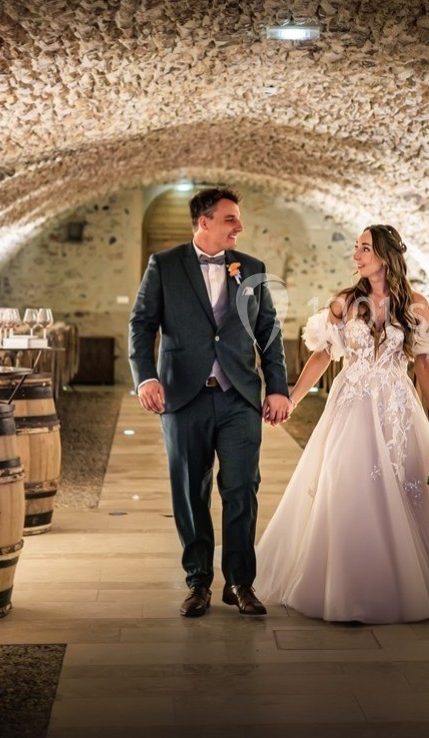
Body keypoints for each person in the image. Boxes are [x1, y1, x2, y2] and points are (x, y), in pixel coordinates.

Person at [254, 225, 429, 623]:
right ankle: (347, 585)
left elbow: (426, 366)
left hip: (397, 405)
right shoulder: (345, 303)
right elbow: (323, 356)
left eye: (364, 248)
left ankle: (409, 580)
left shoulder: (415, 305)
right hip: (351, 404)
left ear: (385, 255)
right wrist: (293, 398)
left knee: (406, 484)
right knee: (347, 482)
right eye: (356, 249)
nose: (356, 256)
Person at [128, 187, 291, 618]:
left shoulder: (251, 269)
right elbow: (142, 325)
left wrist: (277, 387)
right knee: (189, 491)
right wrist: (145, 377)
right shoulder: (164, 265)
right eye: (230, 218)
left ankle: (239, 582)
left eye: (238, 218)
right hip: (183, 398)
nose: (239, 226)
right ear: (204, 222)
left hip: (239, 397)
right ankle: (198, 581)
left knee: (242, 489)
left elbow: (269, 331)